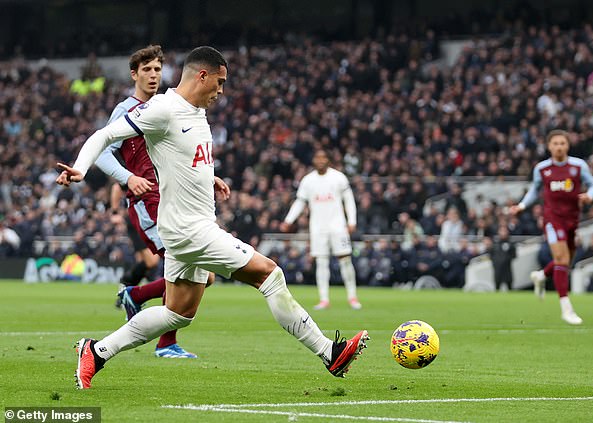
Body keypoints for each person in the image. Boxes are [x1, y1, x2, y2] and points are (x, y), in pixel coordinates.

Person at [56, 46, 369, 389]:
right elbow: (106, 134)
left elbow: (183, 155)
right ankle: (329, 352)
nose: (221, 92)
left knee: (177, 313)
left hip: (186, 226)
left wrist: (208, 177)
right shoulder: (163, 109)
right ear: (201, 75)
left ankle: (96, 351)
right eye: (219, 83)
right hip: (189, 229)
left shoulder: (197, 111)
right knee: (269, 274)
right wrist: (81, 170)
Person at [94, 45, 201, 359]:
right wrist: (128, 178)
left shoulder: (168, 105)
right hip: (148, 201)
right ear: (134, 74)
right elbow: (101, 151)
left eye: (157, 69)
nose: (154, 75)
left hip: (175, 198)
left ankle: (135, 294)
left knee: (203, 275)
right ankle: (166, 343)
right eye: (147, 70)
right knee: (183, 271)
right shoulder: (125, 110)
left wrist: (208, 176)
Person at [510, 129, 593, 325]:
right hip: (552, 219)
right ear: (549, 146)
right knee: (562, 258)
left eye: (562, 143)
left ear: (568, 145)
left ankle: (541, 275)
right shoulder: (542, 169)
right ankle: (566, 309)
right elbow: (534, 191)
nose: (559, 147)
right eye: (555, 143)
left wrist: (590, 195)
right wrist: (522, 205)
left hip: (572, 220)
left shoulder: (578, 166)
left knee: (565, 261)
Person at [280, 149, 362, 310]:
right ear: (313, 161)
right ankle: (324, 299)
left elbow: (349, 200)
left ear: (328, 160)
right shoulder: (308, 181)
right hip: (317, 227)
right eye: (317, 158)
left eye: (323, 157)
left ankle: (352, 297)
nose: (320, 161)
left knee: (345, 259)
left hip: (338, 226)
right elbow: (300, 202)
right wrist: (288, 220)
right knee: (321, 262)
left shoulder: (338, 177)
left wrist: (352, 221)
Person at [488, 226, 516, 291]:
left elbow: (514, 255)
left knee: (509, 287)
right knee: (497, 287)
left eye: (504, 231)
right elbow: (491, 255)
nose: (503, 233)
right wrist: (495, 262)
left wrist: (506, 259)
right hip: (497, 269)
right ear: (498, 232)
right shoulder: (495, 244)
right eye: (501, 231)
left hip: (507, 269)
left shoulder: (511, 244)